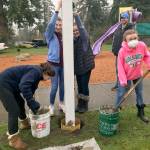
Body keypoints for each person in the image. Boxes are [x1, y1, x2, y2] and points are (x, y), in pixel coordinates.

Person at [0, 62, 55, 149]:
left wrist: (32, 104)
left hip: (12, 85)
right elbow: (24, 86)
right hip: (3, 84)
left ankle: (24, 123)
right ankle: (13, 140)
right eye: (49, 77)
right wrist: (32, 103)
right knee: (13, 110)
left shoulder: (38, 74)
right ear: (45, 73)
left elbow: (30, 90)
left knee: (20, 102)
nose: (48, 79)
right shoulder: (36, 72)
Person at [115, 29, 150, 123]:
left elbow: (147, 56)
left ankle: (141, 112)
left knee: (140, 93)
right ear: (125, 40)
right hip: (125, 77)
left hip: (138, 75)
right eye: (130, 39)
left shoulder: (142, 45)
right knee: (121, 94)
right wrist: (123, 80)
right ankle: (115, 112)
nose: (133, 40)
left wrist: (149, 64)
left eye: (135, 38)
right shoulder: (122, 51)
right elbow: (120, 67)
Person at [45, 0, 65, 116]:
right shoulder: (50, 35)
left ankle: (61, 103)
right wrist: (57, 10)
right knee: (54, 87)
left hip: (63, 65)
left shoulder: (64, 35)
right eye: (56, 25)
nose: (57, 27)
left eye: (59, 25)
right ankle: (51, 105)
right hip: (53, 64)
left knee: (63, 86)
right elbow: (50, 25)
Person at [73, 13, 95, 113]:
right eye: (73, 31)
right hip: (78, 67)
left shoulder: (84, 39)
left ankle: (84, 105)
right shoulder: (73, 41)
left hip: (85, 66)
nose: (75, 32)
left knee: (84, 85)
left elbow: (81, 28)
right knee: (79, 86)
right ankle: (79, 104)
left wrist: (76, 16)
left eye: (76, 30)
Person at [112, 12, 134, 91]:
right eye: (121, 18)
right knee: (118, 69)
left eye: (124, 18)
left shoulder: (130, 28)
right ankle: (118, 84)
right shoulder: (118, 27)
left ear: (127, 19)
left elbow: (132, 41)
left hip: (127, 53)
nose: (122, 19)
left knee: (127, 70)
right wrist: (114, 49)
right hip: (118, 52)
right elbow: (116, 39)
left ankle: (127, 87)